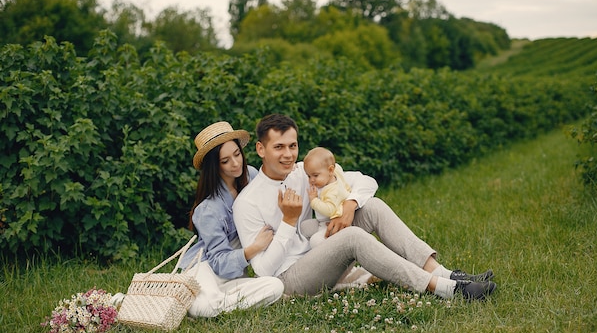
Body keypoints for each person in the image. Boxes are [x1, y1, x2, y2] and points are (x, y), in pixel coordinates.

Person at [233, 113, 496, 300]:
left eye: (292, 146)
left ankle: (447, 274)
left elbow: (365, 181)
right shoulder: (247, 202)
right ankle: (445, 289)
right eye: (279, 147)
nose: (288, 155)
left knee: (373, 207)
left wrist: (350, 204)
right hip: (291, 279)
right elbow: (263, 271)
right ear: (260, 149)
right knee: (352, 238)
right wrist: (288, 223)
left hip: (321, 251)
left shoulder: (304, 172)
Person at [178, 121, 284, 318]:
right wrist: (255, 248)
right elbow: (218, 261)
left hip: (234, 276)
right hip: (205, 268)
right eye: (225, 161)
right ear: (214, 166)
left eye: (237, 154)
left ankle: (204, 304)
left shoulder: (252, 175)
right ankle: (198, 302)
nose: (235, 163)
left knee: (276, 286)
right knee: (206, 307)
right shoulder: (208, 210)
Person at [302, 146, 354, 248]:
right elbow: (337, 166)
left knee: (315, 241)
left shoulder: (333, 192)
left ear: (330, 170)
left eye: (315, 175)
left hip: (331, 224)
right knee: (303, 227)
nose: (311, 180)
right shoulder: (335, 172)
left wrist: (314, 200)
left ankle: (331, 252)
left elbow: (329, 210)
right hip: (321, 221)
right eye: (309, 176)